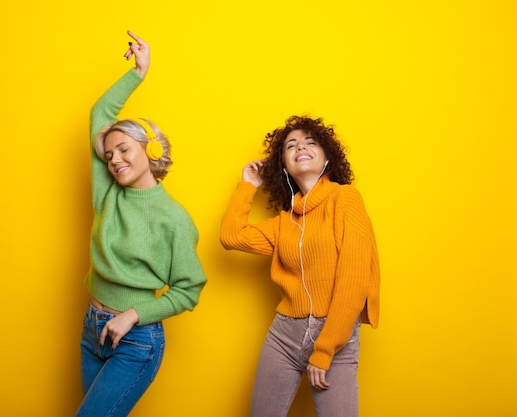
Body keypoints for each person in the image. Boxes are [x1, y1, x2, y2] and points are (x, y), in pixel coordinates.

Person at [75, 31, 207, 417]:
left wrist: (132, 315)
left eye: (124, 149)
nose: (114, 159)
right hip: (92, 329)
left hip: (136, 339)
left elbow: (189, 290)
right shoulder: (108, 193)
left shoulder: (174, 219)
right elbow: (99, 116)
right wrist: (137, 72)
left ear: (150, 151)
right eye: (110, 153)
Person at [220, 115, 380, 417]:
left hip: (335, 335)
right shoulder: (284, 224)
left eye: (310, 142)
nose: (300, 148)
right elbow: (231, 237)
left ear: (327, 158)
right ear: (284, 166)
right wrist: (247, 185)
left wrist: (325, 348)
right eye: (290, 146)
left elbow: (354, 280)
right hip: (284, 335)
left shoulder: (345, 199)